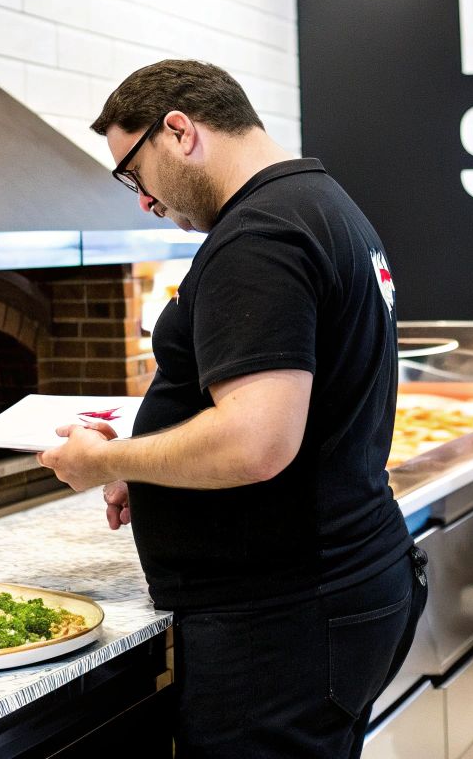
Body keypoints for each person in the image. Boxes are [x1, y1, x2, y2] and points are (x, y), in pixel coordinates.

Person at [37, 59, 426, 757]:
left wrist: (105, 459)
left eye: (133, 172)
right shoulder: (321, 203)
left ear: (179, 132)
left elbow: (256, 442)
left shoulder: (259, 236)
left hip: (285, 619)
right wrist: (156, 471)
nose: (145, 202)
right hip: (339, 588)